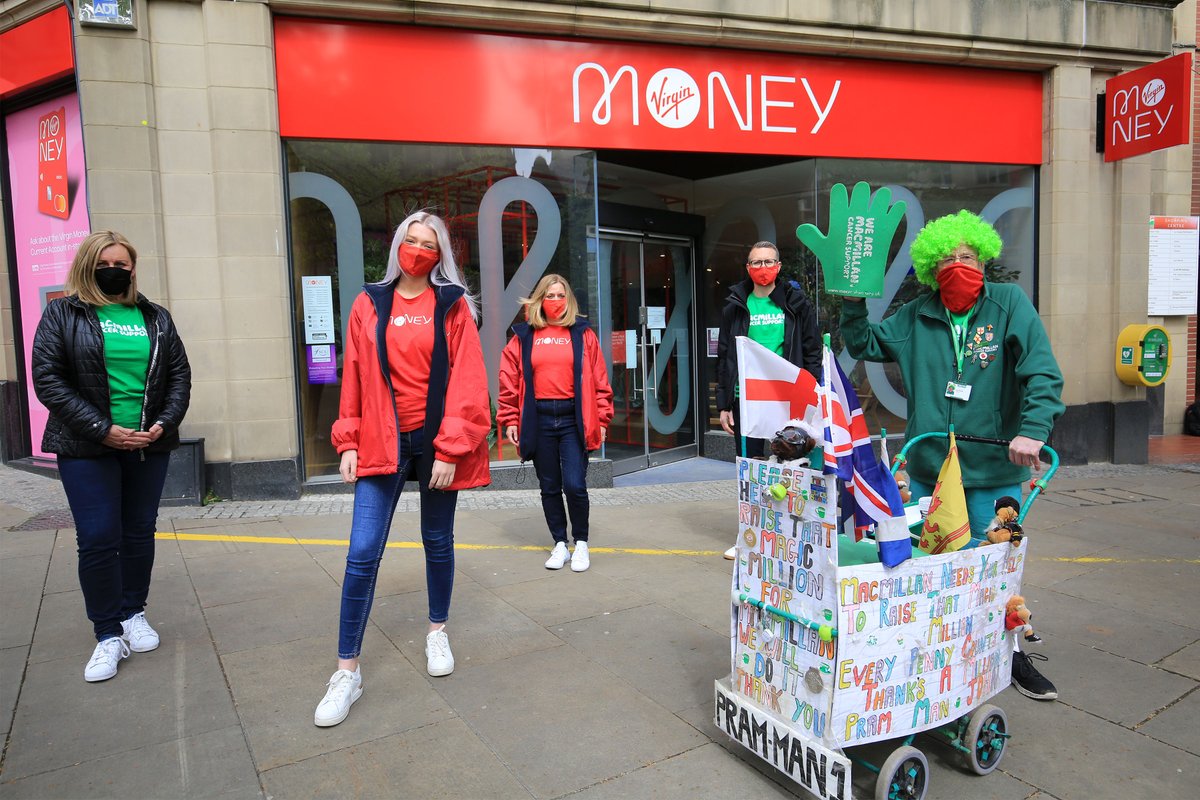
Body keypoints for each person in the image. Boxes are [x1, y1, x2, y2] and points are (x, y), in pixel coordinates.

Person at [839, 209, 1064, 701]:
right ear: (930, 268)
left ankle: (1010, 653)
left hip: (994, 469)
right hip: (929, 469)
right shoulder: (916, 314)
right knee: (926, 566)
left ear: (982, 260)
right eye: (946, 259)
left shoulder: (1008, 303)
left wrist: (1032, 431)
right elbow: (863, 341)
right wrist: (853, 299)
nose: (958, 265)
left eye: (967, 256)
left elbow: (1042, 372)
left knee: (996, 567)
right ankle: (930, 655)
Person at [315, 211, 490, 727]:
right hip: (379, 439)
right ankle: (346, 672)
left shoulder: (452, 305)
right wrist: (348, 440)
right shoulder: (369, 302)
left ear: (440, 254)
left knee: (437, 540)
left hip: (436, 442)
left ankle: (437, 631)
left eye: (428, 244)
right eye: (411, 241)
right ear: (397, 245)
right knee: (361, 552)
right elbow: (353, 373)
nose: (418, 250)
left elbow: (469, 379)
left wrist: (451, 449)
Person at [31, 230, 192, 683]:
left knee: (138, 531)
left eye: (122, 264)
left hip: (146, 445)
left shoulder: (155, 317)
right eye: (105, 264)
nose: (114, 271)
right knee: (99, 537)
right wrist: (103, 430)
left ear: (132, 269)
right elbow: (48, 379)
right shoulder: (63, 313)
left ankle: (132, 611)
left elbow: (179, 376)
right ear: (87, 266)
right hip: (86, 446)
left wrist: (164, 423)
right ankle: (107, 633)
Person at [497, 274, 613, 572]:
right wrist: (510, 418)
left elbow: (600, 380)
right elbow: (509, 380)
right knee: (549, 486)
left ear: (569, 299)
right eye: (550, 295)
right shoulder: (523, 336)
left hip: (574, 418)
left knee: (575, 485)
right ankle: (560, 543)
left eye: (561, 295)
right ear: (539, 300)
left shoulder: (583, 334)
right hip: (539, 419)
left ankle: (581, 543)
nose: (556, 301)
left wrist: (602, 418)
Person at [715, 240, 822, 558]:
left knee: (791, 467)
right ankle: (748, 534)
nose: (762, 268)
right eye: (756, 262)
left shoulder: (795, 303)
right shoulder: (736, 305)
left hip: (787, 401)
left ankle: (788, 534)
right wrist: (724, 403)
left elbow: (812, 349)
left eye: (768, 261)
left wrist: (813, 395)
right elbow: (725, 356)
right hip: (746, 400)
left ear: (778, 265)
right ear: (748, 267)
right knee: (750, 469)